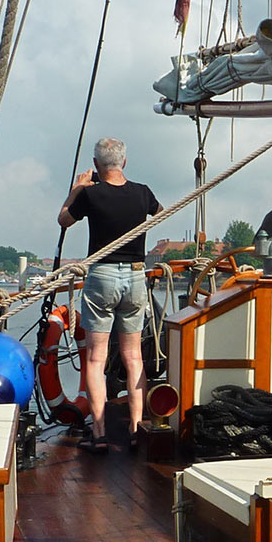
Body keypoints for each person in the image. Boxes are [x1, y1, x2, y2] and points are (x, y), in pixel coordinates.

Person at [57, 137, 163, 453]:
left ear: (97, 165)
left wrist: (77, 188)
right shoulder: (143, 193)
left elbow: (64, 219)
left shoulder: (90, 194)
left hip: (101, 276)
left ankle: (100, 432)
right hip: (135, 276)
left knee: (96, 357)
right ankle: (135, 429)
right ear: (124, 163)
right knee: (134, 357)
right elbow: (158, 214)